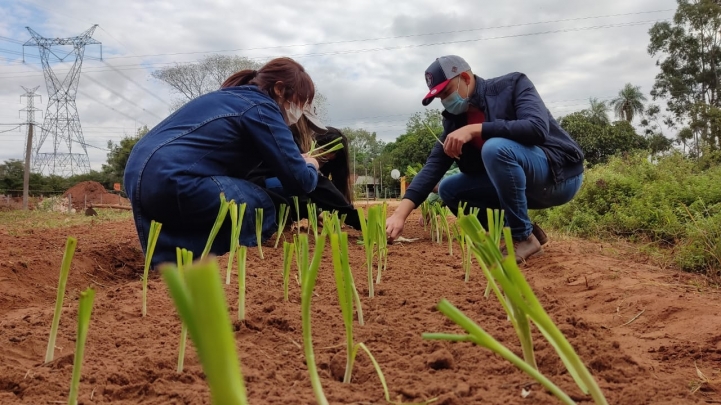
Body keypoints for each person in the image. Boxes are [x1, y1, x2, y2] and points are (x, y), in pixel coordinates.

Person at [124, 57, 322, 268]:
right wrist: (310, 164)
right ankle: (230, 265)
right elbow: (300, 181)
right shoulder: (262, 107)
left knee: (174, 249)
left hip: (137, 179)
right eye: (300, 102)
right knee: (261, 204)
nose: (299, 111)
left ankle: (168, 268)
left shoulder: (224, 98)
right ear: (280, 89)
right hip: (175, 180)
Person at [386, 55, 585, 263]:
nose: (445, 101)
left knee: (495, 148)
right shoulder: (455, 122)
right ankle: (524, 232)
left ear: (465, 77)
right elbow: (434, 166)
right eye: (440, 98)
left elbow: (536, 128)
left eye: (446, 92)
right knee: (448, 189)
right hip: (523, 187)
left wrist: (476, 130)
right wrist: (400, 214)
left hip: (559, 176)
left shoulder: (513, 85)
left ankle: (522, 236)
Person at [245, 111, 362, 230]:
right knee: (307, 183)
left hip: (260, 189)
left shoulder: (290, 138)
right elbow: (309, 183)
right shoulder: (285, 136)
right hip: (255, 187)